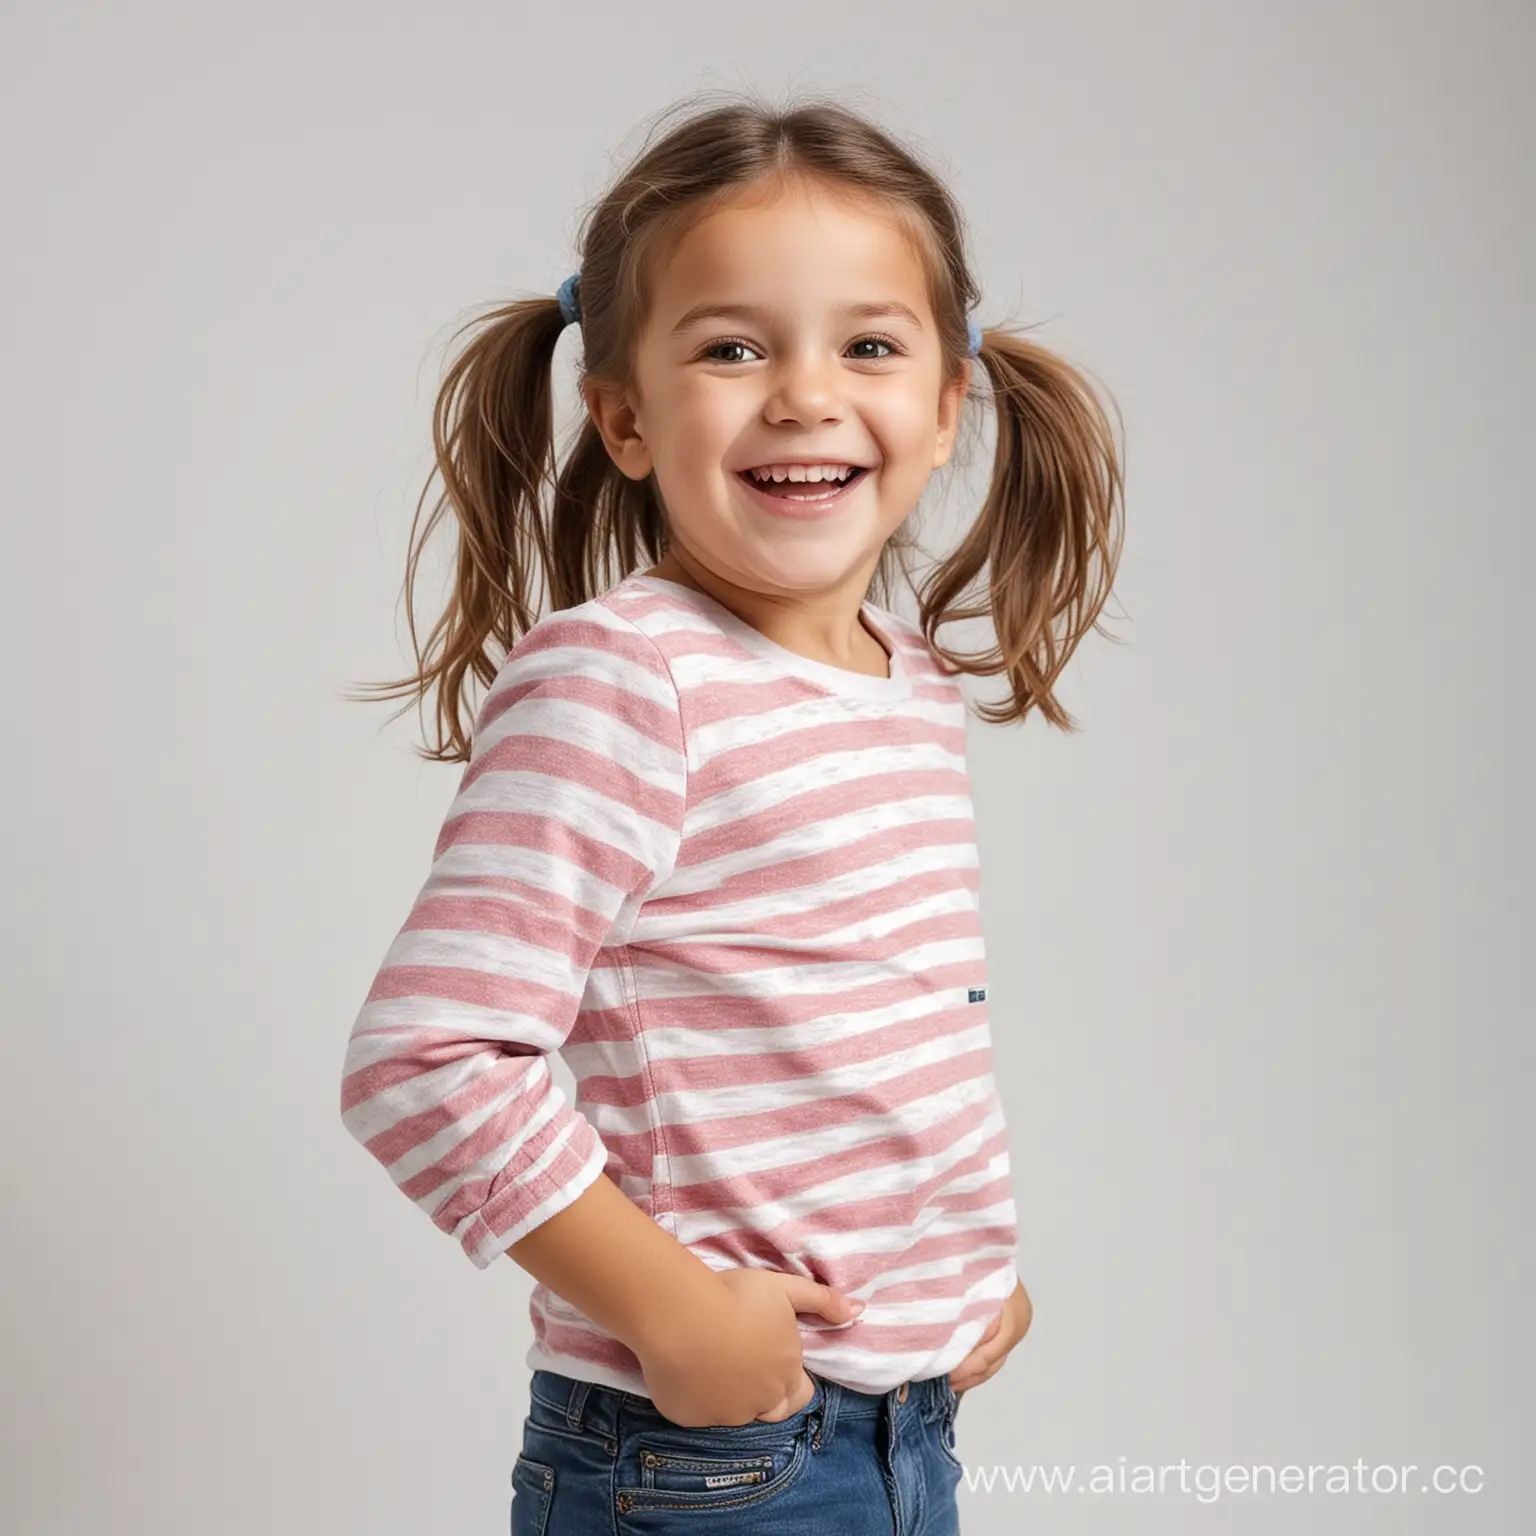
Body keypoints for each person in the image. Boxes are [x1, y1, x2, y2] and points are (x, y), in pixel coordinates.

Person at [339, 89, 1124, 1536]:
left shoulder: (905, 681)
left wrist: (956, 1266)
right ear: (627, 418)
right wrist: (676, 1313)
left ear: (947, 405)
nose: (806, 393)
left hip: (901, 1435)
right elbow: (427, 1060)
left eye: (868, 345)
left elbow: (860, 1027)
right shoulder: (627, 680)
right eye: (733, 347)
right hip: (706, 1463)